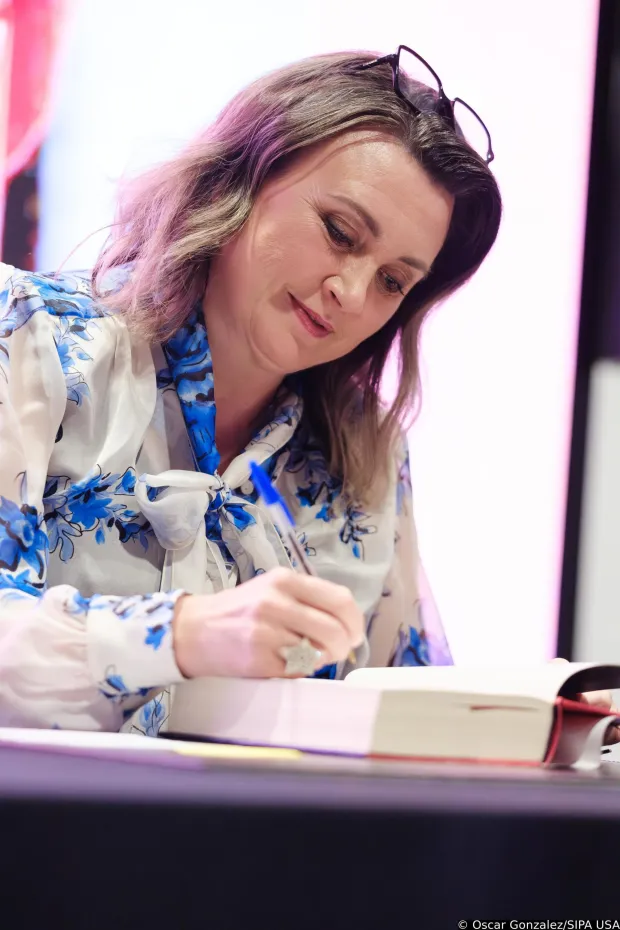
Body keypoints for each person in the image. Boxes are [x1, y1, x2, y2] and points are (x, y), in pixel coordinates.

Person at [0, 45, 503, 734]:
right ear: (237, 182)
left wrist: (547, 723)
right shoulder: (29, 338)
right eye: (339, 232)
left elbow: (406, 710)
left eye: (393, 282)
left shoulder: (365, 453)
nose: (351, 293)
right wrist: (182, 634)